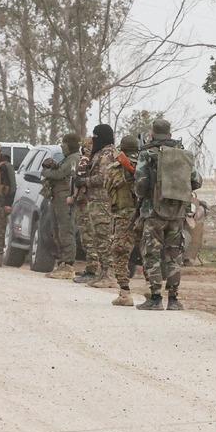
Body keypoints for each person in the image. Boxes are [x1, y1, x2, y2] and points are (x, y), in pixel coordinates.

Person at [134, 119, 202, 310]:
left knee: (152, 254)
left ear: (152, 133)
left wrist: (145, 196)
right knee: (174, 255)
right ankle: (173, 300)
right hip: (178, 213)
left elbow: (140, 184)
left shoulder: (147, 153)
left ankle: (155, 298)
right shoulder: (182, 154)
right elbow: (196, 181)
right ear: (170, 134)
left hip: (153, 212)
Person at [104, 135, 140, 306]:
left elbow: (108, 188)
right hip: (146, 216)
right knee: (149, 253)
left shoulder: (115, 168)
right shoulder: (147, 166)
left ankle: (125, 293)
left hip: (124, 216)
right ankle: (154, 292)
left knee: (120, 252)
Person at [40, 134, 82, 279]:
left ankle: (68, 265)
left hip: (65, 199)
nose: (62, 146)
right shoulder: (67, 159)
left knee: (65, 230)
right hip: (57, 198)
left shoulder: (74, 158)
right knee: (56, 230)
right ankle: (62, 262)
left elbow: (60, 174)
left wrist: (46, 172)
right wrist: (53, 165)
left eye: (64, 143)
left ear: (70, 145)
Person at [83, 124, 118, 288]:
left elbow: (103, 178)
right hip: (96, 202)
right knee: (98, 237)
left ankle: (109, 274)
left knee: (104, 238)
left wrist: (85, 181)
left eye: (96, 136)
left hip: (104, 203)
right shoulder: (101, 152)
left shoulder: (107, 154)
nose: (93, 139)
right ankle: (103, 273)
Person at [72, 136, 97, 283]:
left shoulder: (85, 161)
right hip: (93, 202)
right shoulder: (96, 160)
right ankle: (93, 268)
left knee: (87, 237)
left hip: (84, 203)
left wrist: (73, 197)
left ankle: (92, 270)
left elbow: (79, 181)